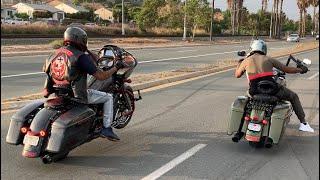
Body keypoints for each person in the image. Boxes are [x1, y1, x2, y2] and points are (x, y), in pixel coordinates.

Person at [43, 27, 126, 141]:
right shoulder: (81, 57)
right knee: (108, 98)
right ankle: (106, 128)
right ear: (80, 39)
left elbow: (48, 74)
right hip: (77, 96)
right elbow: (101, 76)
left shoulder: (54, 54)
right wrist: (116, 67)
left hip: (58, 94)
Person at [234, 39, 314, 132]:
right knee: (293, 96)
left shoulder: (246, 61)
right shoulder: (269, 59)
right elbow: (287, 69)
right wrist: (300, 70)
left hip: (254, 90)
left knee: (246, 100)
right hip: (271, 90)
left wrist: (239, 64)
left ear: (252, 49)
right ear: (264, 49)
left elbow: (237, 75)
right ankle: (303, 124)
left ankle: (241, 126)